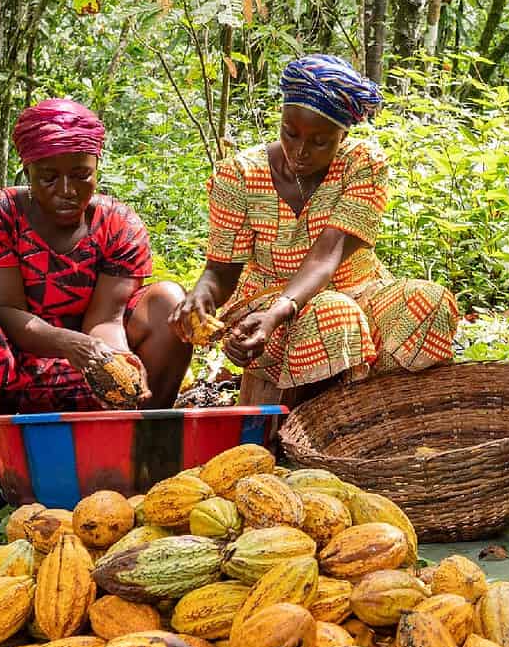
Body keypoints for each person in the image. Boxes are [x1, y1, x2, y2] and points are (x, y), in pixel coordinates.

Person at [0, 98, 192, 534]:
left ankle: (138, 456)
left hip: (88, 372)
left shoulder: (118, 224)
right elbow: (7, 312)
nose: (66, 191)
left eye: (81, 175)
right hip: (15, 370)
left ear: (96, 168)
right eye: (48, 178)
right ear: (27, 172)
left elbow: (106, 317)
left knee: (167, 299)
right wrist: (70, 346)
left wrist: (115, 363)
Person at [171, 54, 459, 404]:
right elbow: (220, 270)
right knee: (331, 313)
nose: (300, 152)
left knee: (428, 301)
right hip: (265, 307)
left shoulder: (362, 164)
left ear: (344, 134)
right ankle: (311, 430)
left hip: (354, 293)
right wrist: (202, 293)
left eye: (320, 141)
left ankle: (387, 412)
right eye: (289, 133)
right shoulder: (239, 175)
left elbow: (328, 256)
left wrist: (279, 313)